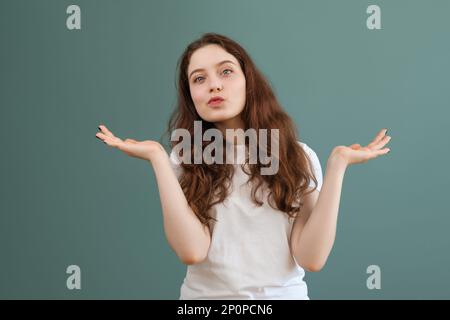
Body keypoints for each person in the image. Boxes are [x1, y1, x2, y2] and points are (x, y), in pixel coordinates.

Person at [95, 33, 392, 299]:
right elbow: (192, 251)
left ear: (248, 81)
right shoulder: (185, 161)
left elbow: (311, 258)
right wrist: (159, 158)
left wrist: (338, 165)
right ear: (191, 96)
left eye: (226, 71)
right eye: (199, 79)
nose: (213, 85)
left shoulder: (296, 156)